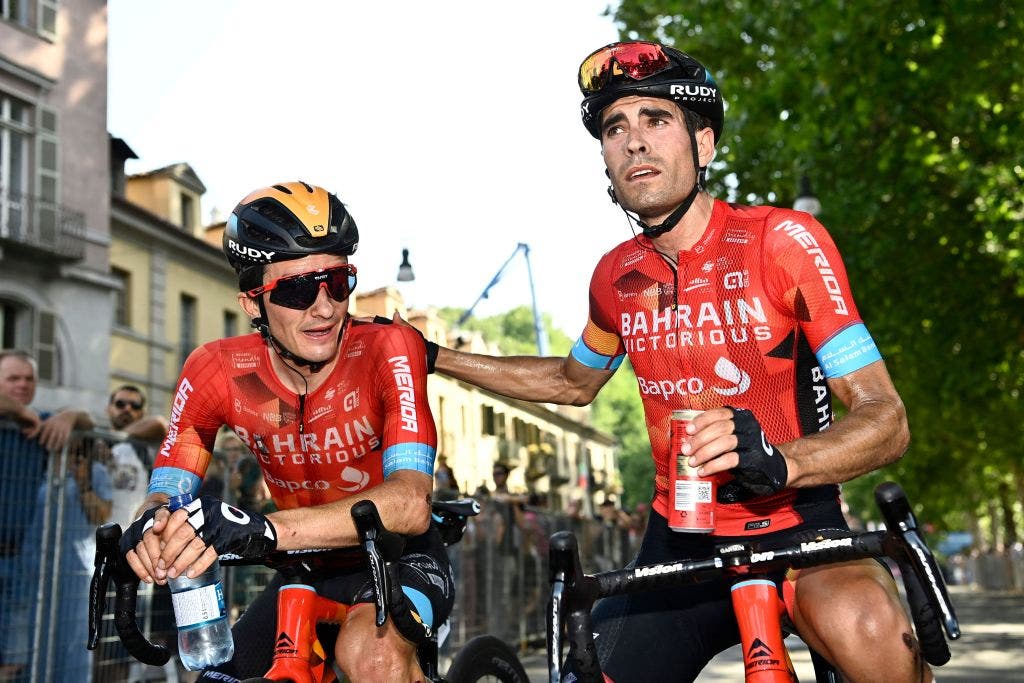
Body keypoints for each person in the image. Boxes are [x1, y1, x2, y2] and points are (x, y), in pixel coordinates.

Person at [412, 41, 928, 682]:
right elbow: (573, 382)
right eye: (615, 128)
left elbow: (886, 418)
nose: (633, 141)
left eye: (655, 119)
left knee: (875, 634)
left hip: (800, 525)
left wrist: (781, 460)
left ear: (703, 144)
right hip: (681, 538)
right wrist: (435, 357)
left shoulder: (782, 243)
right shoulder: (614, 278)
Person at [119, 181, 452, 683]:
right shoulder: (220, 372)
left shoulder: (386, 347)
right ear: (252, 303)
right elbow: (168, 485)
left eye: (337, 282)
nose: (325, 307)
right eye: (297, 289)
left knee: (371, 658)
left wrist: (263, 529)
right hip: (304, 571)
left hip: (400, 559)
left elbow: (410, 502)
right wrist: (153, 523)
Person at [0, 349, 103, 682]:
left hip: (16, 561)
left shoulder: (39, 424)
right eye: (13, 378)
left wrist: (69, 416)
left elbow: (88, 422)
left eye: (29, 378)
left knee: (13, 660)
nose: (23, 384)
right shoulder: (24, 418)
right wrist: (21, 413)